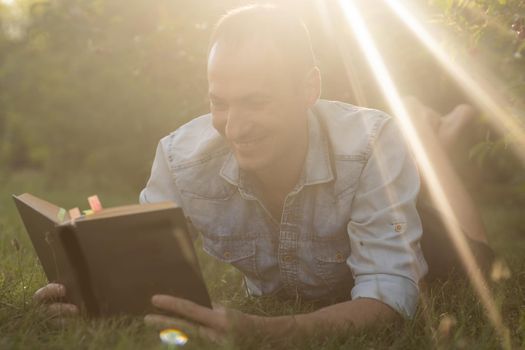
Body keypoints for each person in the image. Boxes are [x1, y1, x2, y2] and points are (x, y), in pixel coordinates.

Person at [33, 4, 492, 341]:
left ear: (308, 87)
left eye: (256, 102)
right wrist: (93, 296)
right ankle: (424, 134)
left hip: (406, 215)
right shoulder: (180, 160)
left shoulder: (370, 145)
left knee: (479, 262)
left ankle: (431, 138)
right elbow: (142, 266)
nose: (234, 128)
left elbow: (391, 296)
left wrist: (263, 331)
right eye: (219, 102)